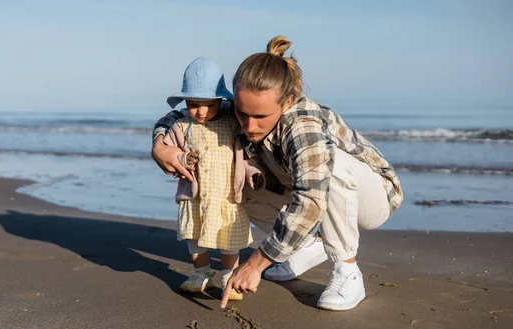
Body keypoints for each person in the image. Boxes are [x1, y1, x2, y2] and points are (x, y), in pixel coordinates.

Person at [152, 37, 403, 311]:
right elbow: (182, 116)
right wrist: (159, 143)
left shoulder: (302, 125)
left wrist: (256, 264)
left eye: (261, 117)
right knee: (234, 182)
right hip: (306, 192)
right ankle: (304, 246)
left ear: (287, 101)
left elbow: (311, 199)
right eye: (241, 112)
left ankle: (347, 270)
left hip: (371, 198)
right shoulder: (244, 108)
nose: (249, 125)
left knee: (333, 167)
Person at [162, 57, 254, 301]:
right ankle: (201, 273)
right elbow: (168, 152)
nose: (201, 111)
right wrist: (183, 159)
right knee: (195, 238)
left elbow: (251, 140)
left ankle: (227, 276)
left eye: (209, 105)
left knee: (229, 239)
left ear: (220, 101)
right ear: (185, 102)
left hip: (227, 197)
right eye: (193, 104)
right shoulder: (182, 126)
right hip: (196, 196)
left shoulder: (231, 121)